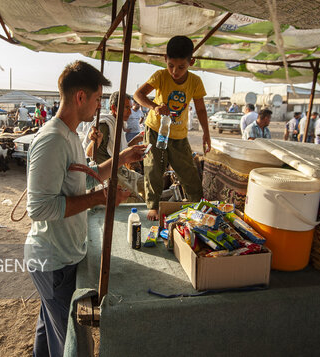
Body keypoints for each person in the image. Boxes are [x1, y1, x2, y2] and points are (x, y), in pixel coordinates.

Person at [24, 61, 145, 357]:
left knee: (50, 328)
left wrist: (122, 158)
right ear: (80, 97)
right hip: (53, 261)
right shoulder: (53, 140)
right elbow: (38, 208)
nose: (97, 107)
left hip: (61, 256)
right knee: (69, 341)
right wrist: (98, 198)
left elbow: (86, 175)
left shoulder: (71, 135)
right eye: (97, 99)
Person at [134, 35, 211, 221]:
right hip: (155, 131)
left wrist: (207, 133)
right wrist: (154, 107)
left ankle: (196, 206)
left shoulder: (195, 82)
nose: (175, 71)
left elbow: (200, 109)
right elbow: (138, 94)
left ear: (191, 62)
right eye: (171, 66)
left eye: (181, 67)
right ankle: (153, 206)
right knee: (153, 169)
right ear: (165, 60)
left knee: (189, 172)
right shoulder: (160, 76)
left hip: (178, 136)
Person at [83, 91, 144, 164]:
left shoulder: (117, 123)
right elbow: (89, 154)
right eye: (126, 108)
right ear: (114, 108)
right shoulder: (105, 125)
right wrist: (94, 141)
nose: (130, 112)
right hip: (104, 171)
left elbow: (121, 149)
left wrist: (136, 140)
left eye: (130, 108)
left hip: (114, 168)